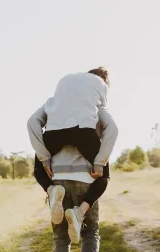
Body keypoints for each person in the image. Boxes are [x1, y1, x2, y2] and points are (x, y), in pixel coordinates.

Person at [27, 100, 118, 252]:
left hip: (57, 176)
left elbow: (33, 122)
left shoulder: (53, 106)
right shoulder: (93, 108)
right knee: (90, 233)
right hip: (87, 177)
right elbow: (111, 130)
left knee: (60, 239)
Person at [29, 67, 111, 219]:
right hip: (84, 133)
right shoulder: (96, 103)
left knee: (38, 169)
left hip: (54, 134)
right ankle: (80, 212)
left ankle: (51, 191)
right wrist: (99, 164)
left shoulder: (53, 102)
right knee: (104, 177)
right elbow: (113, 129)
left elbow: (32, 122)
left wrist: (44, 158)